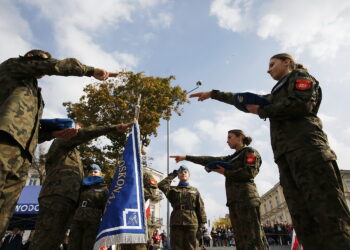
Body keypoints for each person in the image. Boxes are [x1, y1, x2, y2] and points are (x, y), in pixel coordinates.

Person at [189, 53, 350, 249]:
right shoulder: (275, 96)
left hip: (309, 152)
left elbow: (301, 104)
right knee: (303, 220)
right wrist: (214, 94)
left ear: (287, 62)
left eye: (272, 64)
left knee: (329, 215)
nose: (268, 69)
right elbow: (242, 99)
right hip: (286, 159)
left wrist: (262, 111)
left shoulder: (300, 77)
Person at [0, 49, 120, 237]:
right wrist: (90, 71)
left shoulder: (34, 94)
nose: (46, 70)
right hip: (4, 144)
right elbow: (52, 66)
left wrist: (55, 133)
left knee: (4, 215)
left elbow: (30, 131)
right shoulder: (13, 67)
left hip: (23, 156)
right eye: (44, 62)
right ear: (31, 58)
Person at [29, 123, 131, 250]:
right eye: (76, 128)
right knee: (44, 241)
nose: (77, 130)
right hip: (56, 199)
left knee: (54, 242)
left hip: (69, 204)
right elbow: (83, 134)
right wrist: (112, 128)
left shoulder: (76, 156)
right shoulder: (61, 142)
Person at [171, 129, 268, 250]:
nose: (227, 141)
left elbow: (250, 172)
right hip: (234, 200)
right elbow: (208, 159)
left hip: (247, 198)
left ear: (240, 137)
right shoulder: (231, 157)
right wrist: (185, 157)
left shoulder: (250, 152)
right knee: (240, 237)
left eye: (230, 137)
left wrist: (225, 172)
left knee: (253, 235)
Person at [158, 166, 207, 250]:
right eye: (181, 172)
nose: (183, 173)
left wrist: (202, 224)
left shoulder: (195, 190)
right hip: (176, 222)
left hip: (191, 222)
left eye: (185, 172)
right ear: (178, 175)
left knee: (191, 247)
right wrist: (173, 175)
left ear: (189, 175)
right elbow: (161, 185)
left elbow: (200, 207)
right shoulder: (172, 190)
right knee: (176, 247)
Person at [69, 164, 109, 250]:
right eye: (91, 172)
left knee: (89, 246)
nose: (93, 173)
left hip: (93, 222)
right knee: (73, 245)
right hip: (77, 220)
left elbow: (106, 208)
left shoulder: (104, 189)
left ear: (100, 174)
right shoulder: (82, 187)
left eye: (95, 172)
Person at [120, 169, 161, 250]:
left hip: (141, 216)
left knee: (139, 246)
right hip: (126, 216)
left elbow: (151, 191)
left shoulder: (145, 174)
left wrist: (134, 191)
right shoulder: (122, 174)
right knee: (125, 245)